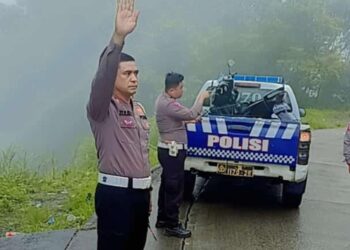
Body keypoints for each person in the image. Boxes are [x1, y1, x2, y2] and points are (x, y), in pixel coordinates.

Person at [86, 1, 152, 249]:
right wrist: (118, 37)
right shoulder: (102, 109)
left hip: (140, 196)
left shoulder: (138, 110)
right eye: (126, 73)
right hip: (115, 197)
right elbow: (102, 77)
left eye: (136, 73)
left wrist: (147, 192)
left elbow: (141, 155)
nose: (134, 78)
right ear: (113, 76)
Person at [155, 72, 209, 238]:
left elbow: (181, 118)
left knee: (166, 184)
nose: (183, 90)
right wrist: (201, 98)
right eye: (181, 87)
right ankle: (172, 224)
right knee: (174, 187)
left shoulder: (164, 101)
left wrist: (189, 120)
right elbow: (191, 113)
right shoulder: (169, 104)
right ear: (172, 90)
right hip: (173, 151)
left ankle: (163, 218)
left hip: (168, 150)